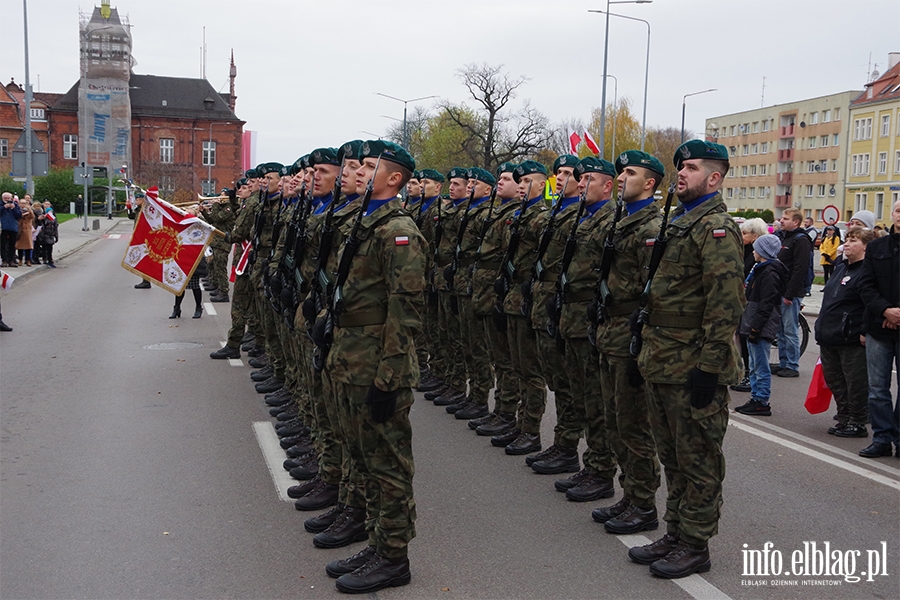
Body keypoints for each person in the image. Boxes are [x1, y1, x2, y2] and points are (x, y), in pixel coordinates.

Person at [629, 140, 744, 579]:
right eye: (681, 166)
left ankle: (695, 543)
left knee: (698, 457)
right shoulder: (677, 222)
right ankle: (675, 530)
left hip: (692, 363)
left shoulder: (715, 228)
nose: (682, 173)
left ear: (714, 178)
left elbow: (725, 306)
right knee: (672, 454)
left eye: (692, 168)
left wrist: (710, 368)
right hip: (662, 359)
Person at [321, 140, 425, 594]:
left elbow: (407, 308)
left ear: (394, 177)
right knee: (360, 455)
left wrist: (391, 375)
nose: (359, 172)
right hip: (349, 355)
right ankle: (377, 540)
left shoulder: (398, 230)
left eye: (369, 165)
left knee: (388, 464)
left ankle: (394, 556)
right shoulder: (365, 221)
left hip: (377, 365)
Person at [590, 151, 663, 529]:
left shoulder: (651, 227)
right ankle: (629, 494)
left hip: (629, 333)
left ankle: (643, 502)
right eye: (620, 173)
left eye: (630, 173)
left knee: (633, 424)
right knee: (615, 419)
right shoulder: (622, 221)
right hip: (610, 329)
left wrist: (640, 336)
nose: (621, 178)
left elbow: (651, 289)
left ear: (649, 183)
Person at [815, 226, 874, 437]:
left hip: (850, 336)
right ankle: (844, 416)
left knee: (855, 381)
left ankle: (858, 421)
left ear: (866, 247)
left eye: (854, 241)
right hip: (829, 333)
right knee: (834, 379)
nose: (847, 244)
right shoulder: (841, 267)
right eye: (847, 239)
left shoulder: (868, 271)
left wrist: (865, 330)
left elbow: (869, 304)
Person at [856, 199, 900, 458]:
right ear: (892, 214)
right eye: (898, 210)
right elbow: (866, 285)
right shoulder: (876, 247)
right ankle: (882, 438)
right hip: (878, 326)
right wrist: (886, 310)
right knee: (878, 388)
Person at [735, 234, 787, 416]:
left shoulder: (770, 273)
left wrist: (756, 327)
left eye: (757, 249)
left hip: (760, 325)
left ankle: (761, 399)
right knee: (754, 363)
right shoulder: (760, 269)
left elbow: (766, 304)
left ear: (763, 252)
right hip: (752, 322)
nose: (754, 252)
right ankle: (756, 396)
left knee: (760, 364)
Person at [772, 208, 812, 378]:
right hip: (779, 289)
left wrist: (790, 294)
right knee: (780, 330)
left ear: (796, 222)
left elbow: (800, 269)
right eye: (781, 218)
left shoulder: (800, 240)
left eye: (786, 218)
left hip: (790, 292)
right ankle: (783, 363)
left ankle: (792, 365)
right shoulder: (783, 237)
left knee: (789, 330)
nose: (781, 221)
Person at [731, 217, 768, 392]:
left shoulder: (758, 256)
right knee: (739, 336)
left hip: (751, 302)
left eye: (745, 233)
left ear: (755, 236)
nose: (741, 235)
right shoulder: (744, 250)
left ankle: (748, 374)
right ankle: (743, 372)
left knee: (746, 339)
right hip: (741, 299)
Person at [1, 193, 21, 267]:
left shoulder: (15, 205)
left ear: (11, 198)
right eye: (5, 198)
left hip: (13, 227)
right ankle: (4, 260)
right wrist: (4, 207)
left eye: (8, 198)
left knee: (12, 245)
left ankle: (11, 260)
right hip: (3, 227)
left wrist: (13, 209)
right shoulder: (1, 204)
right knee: (3, 245)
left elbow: (19, 216)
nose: (7, 200)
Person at [15, 195, 36, 266]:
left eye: (24, 203)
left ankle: (28, 260)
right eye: (22, 203)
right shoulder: (17, 210)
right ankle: (20, 259)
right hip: (20, 229)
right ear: (19, 204)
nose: (23, 205)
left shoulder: (29, 210)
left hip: (27, 229)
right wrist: (22, 215)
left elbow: (32, 217)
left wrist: (29, 210)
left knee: (28, 246)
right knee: (20, 246)